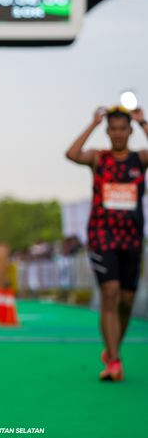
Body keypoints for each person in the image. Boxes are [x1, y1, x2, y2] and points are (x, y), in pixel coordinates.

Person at [65, 105, 148, 381]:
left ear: (129, 131)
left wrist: (143, 122)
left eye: (123, 129)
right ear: (108, 132)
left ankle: (113, 349)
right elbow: (71, 154)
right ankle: (114, 360)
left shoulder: (139, 159)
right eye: (113, 129)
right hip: (102, 235)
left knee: (126, 300)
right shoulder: (98, 158)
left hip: (132, 238)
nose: (118, 134)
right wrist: (92, 123)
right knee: (110, 292)